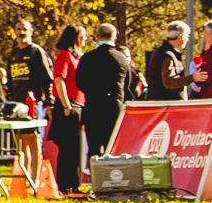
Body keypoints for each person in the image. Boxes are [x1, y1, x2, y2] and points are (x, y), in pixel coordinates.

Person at [3, 20, 54, 198]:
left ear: (31, 31)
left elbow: (48, 79)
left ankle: (36, 180)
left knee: (33, 140)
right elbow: (9, 80)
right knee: (21, 144)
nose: (21, 32)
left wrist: (49, 102)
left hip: (34, 102)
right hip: (17, 105)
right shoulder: (14, 54)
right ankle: (23, 181)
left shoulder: (36, 52)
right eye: (18, 29)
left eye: (25, 29)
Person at [73, 23, 133, 171]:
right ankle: (111, 180)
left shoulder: (87, 58)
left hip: (93, 106)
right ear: (114, 37)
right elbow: (128, 85)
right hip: (114, 108)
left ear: (97, 37)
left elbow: (79, 82)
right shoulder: (121, 59)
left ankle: (95, 181)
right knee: (111, 148)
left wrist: (93, 90)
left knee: (93, 148)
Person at [47, 25, 85, 193]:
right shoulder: (65, 55)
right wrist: (66, 105)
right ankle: (65, 185)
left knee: (75, 148)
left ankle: (73, 184)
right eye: (82, 36)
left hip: (77, 104)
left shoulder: (76, 56)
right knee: (67, 147)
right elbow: (59, 80)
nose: (85, 39)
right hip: (68, 105)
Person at [145, 21, 194, 102]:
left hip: (161, 104)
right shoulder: (167, 56)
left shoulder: (161, 52)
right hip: (167, 106)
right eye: (187, 36)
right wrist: (192, 78)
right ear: (181, 36)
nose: (188, 39)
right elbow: (169, 82)